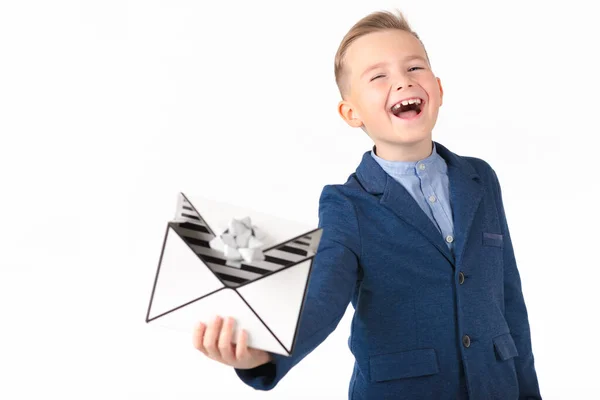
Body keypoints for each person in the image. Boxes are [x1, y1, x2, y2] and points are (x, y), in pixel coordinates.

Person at [192, 9, 542, 399]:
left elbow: (509, 300)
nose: (403, 82)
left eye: (414, 68)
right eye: (379, 76)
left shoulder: (480, 179)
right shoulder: (346, 204)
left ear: (439, 89)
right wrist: (265, 352)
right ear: (351, 113)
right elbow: (324, 295)